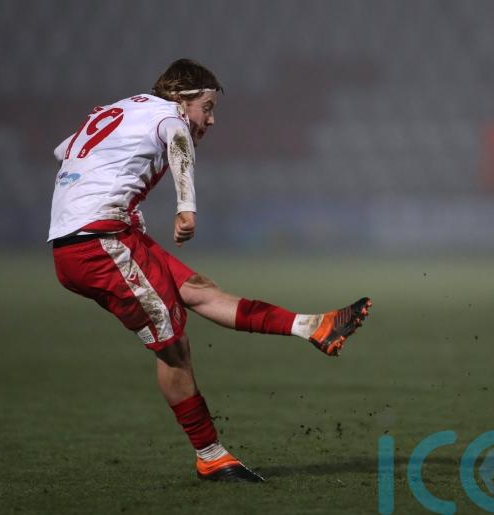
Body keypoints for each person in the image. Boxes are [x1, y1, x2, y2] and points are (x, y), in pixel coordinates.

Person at [48, 59, 372, 483]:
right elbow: (179, 144)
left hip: (104, 235)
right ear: (181, 98)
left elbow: (64, 149)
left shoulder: (125, 108)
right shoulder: (169, 115)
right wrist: (186, 209)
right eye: (207, 106)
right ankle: (211, 456)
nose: (211, 119)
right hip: (98, 243)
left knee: (199, 291)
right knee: (173, 347)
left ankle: (314, 326)